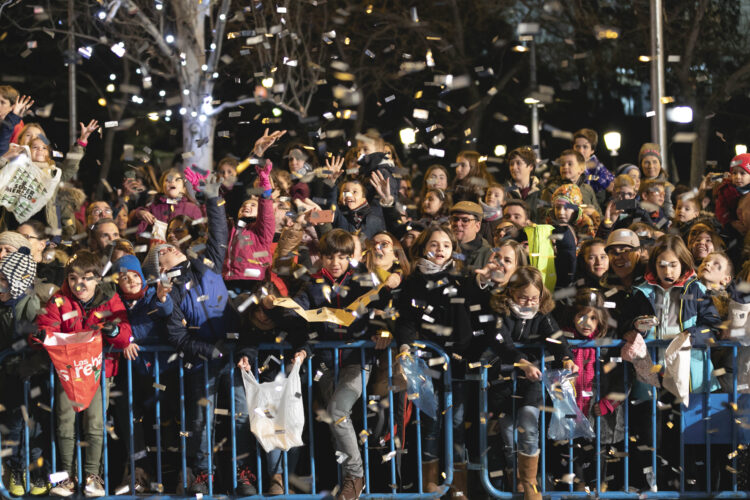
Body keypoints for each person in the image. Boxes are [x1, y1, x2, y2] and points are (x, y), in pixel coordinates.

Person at [144, 175, 257, 495]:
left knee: (240, 415)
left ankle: (241, 473)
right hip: (202, 359)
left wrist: (212, 198)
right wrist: (208, 351)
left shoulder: (207, 265)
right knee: (202, 421)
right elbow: (177, 336)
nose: (171, 248)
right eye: (164, 250)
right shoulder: (171, 291)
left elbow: (219, 232)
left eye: (172, 245)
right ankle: (203, 475)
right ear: (160, 266)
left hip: (233, 353)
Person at [261, 229, 381, 500]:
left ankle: (355, 476)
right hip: (325, 366)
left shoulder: (364, 281)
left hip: (356, 362)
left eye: (342, 257)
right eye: (330, 256)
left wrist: (381, 331)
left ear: (351, 257)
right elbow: (296, 312)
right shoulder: (313, 283)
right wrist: (274, 306)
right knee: (332, 421)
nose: (335, 262)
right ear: (322, 257)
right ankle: (339, 484)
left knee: (338, 411)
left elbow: (382, 312)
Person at [38, 250, 133, 497]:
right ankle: (65, 478)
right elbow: (45, 326)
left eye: (86, 278)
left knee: (95, 423)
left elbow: (125, 334)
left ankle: (93, 476)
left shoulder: (110, 299)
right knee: (64, 424)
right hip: (67, 373)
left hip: (99, 373)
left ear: (97, 279)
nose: (79, 284)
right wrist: (39, 336)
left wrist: (113, 331)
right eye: (73, 278)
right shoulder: (59, 300)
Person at [396, 224, 473, 499]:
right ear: (424, 247)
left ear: (453, 250)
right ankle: (430, 483)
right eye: (434, 244)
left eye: (446, 245)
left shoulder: (463, 279)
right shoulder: (414, 281)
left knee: (456, 423)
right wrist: (405, 346)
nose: (440, 250)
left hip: (458, 364)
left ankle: (458, 485)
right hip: (426, 362)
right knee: (430, 422)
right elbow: (405, 319)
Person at [486, 266, 577, 500]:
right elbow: (501, 342)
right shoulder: (500, 313)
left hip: (532, 381)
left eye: (534, 298)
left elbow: (557, 337)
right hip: (502, 380)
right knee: (507, 432)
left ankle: (529, 483)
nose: (528, 303)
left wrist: (567, 357)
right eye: (523, 297)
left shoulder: (542, 315)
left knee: (529, 421)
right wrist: (521, 361)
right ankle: (514, 476)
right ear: (511, 293)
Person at [111, 255, 174, 493]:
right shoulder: (117, 301)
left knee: (164, 422)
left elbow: (165, 310)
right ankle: (139, 473)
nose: (130, 281)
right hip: (130, 371)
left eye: (134, 276)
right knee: (130, 419)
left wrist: (162, 297)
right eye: (124, 278)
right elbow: (113, 325)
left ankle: (174, 473)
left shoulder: (151, 295)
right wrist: (124, 339)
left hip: (161, 370)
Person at [0, 247, 48, 496]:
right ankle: (16, 470)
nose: (0, 285)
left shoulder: (30, 304)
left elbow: (35, 341)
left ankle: (37, 472)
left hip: (30, 373)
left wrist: (24, 359)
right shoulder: (4, 305)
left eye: (4, 280)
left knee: (31, 424)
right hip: (8, 372)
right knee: (13, 424)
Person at [223, 160, 276, 292]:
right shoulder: (231, 229)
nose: (247, 206)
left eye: (253, 205)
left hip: (253, 283)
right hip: (229, 280)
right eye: (244, 205)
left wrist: (264, 191)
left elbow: (266, 213)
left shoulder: (261, 230)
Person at [449, 201, 492, 270]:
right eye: (455, 219)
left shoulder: (487, 255)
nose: (458, 224)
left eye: (465, 220)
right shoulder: (442, 247)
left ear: (477, 226)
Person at [504, 146, 542, 222]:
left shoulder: (542, 191)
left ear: (531, 166)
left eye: (518, 163)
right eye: (511, 164)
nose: (514, 167)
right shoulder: (503, 192)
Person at [572, 128, 614, 195]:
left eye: (585, 147)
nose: (580, 151)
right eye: (577, 146)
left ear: (592, 150)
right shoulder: (565, 165)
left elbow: (612, 188)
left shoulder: (599, 169)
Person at [638, 143, 674, 218]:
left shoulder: (669, 188)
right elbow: (622, 205)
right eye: (646, 162)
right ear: (641, 165)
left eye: (654, 162)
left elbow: (670, 214)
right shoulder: (636, 185)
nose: (651, 166)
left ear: (660, 165)